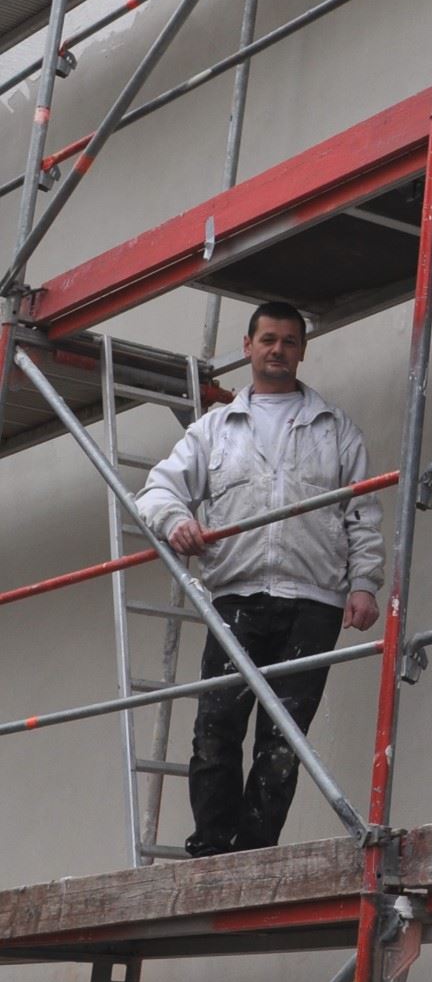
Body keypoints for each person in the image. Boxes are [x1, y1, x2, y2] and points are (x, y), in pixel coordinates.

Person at [137, 301, 384, 856]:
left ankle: (253, 851)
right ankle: (212, 848)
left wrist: (364, 584)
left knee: (283, 738)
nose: (278, 350)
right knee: (216, 728)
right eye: (268, 339)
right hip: (237, 597)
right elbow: (157, 490)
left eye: (289, 341)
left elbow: (363, 514)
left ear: (302, 351)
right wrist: (175, 520)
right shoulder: (214, 430)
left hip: (314, 602)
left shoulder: (336, 429)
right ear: (248, 346)